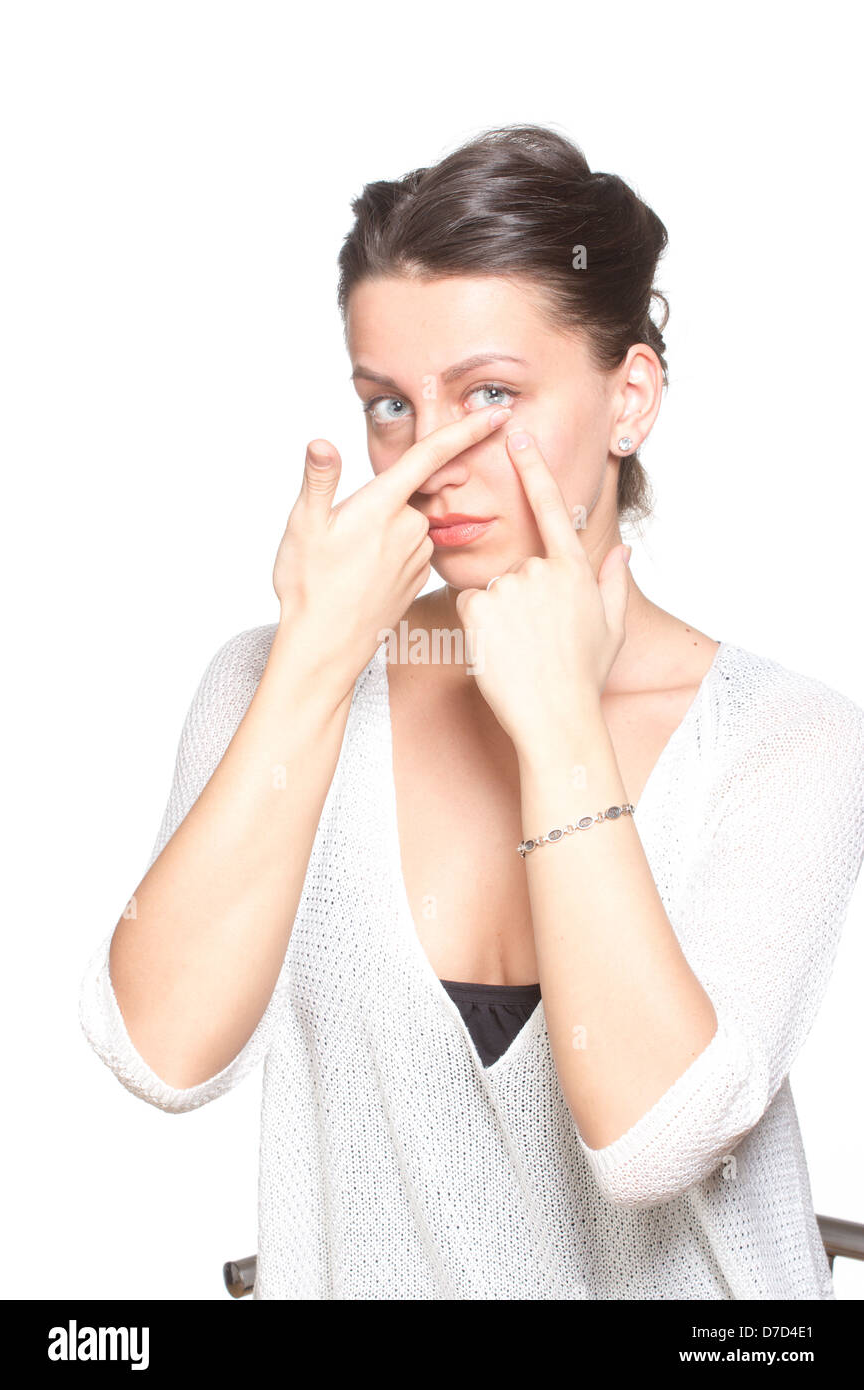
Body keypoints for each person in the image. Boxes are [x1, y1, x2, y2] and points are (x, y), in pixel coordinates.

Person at [79, 124, 864, 1299]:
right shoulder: (274, 685)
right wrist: (312, 664)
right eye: (389, 404)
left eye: (488, 393)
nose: (432, 454)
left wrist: (556, 730)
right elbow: (162, 1055)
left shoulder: (780, 738)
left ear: (628, 398)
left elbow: (651, 1140)